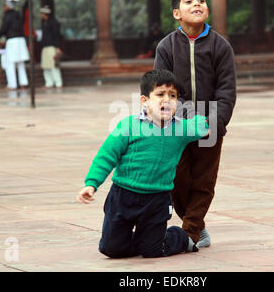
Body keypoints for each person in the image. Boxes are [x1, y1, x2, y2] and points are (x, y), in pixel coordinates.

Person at [76, 69, 209, 258]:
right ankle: (141, 239)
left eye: (172, 96)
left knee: (153, 251)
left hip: (157, 199)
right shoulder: (128, 125)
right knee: (111, 249)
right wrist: (91, 184)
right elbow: (106, 155)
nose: (167, 100)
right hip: (123, 196)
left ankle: (179, 237)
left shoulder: (181, 128)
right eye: (160, 94)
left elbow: (199, 124)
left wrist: (205, 124)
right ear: (144, 101)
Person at [154, 0, 237, 248]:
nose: (197, 4)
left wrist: (215, 121)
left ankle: (190, 231)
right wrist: (184, 118)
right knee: (177, 179)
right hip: (177, 125)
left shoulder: (220, 47)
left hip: (211, 127)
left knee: (204, 181)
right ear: (177, 13)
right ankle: (194, 224)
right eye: (189, 1)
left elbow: (226, 89)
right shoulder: (166, 47)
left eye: (201, 0)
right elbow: (162, 88)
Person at [0, 1, 29, 90]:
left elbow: (4, 27)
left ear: (7, 7)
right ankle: (23, 83)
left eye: (5, 6)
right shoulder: (18, 15)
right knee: (20, 63)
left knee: (10, 63)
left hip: (12, 41)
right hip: (21, 40)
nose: (4, 8)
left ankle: (12, 84)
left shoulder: (8, 16)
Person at [39, 5, 63, 88]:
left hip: (52, 47)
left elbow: (57, 36)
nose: (40, 15)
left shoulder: (53, 22)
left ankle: (58, 83)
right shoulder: (44, 23)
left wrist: (58, 47)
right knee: (46, 66)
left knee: (53, 65)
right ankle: (49, 83)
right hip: (45, 47)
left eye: (41, 13)